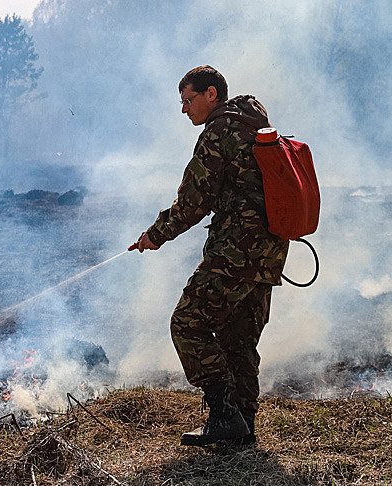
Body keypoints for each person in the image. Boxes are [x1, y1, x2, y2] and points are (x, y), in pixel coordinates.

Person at [129, 66, 289, 446]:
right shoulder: (251, 125)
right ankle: (242, 428)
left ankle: (223, 416)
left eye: (188, 100)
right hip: (270, 250)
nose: (184, 109)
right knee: (239, 338)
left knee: (187, 322)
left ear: (211, 94)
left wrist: (155, 235)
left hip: (237, 248)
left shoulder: (218, 131)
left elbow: (192, 202)